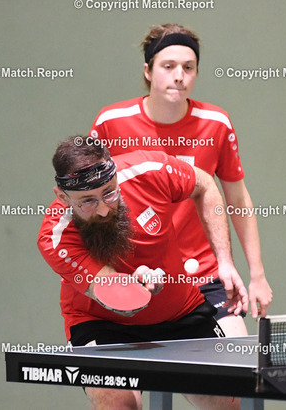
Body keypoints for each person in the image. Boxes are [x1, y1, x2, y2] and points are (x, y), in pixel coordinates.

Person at [89, 23, 272, 335]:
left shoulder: (216, 124)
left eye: (188, 67)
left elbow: (238, 200)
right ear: (148, 71)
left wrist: (257, 275)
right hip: (135, 276)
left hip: (201, 276)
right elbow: (88, 202)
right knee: (115, 368)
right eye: (168, 66)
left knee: (234, 354)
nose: (179, 76)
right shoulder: (111, 123)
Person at [37, 136, 246, 410]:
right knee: (118, 404)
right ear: (63, 197)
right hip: (104, 325)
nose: (104, 209)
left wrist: (225, 261)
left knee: (230, 402)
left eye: (109, 192)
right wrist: (135, 286)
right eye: (87, 201)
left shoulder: (151, 169)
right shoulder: (55, 237)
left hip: (181, 312)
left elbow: (205, 184)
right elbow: (114, 292)